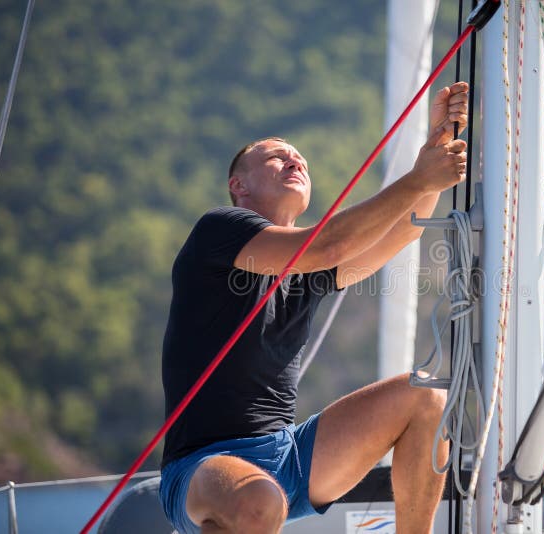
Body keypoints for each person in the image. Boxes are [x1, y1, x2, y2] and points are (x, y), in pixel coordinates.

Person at [159, 82, 470, 534]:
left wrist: (435, 146)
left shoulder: (308, 269)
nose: (295, 159)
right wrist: (419, 178)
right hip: (204, 468)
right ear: (238, 185)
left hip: (288, 455)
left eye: (300, 157)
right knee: (258, 501)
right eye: (276, 156)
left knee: (425, 396)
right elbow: (326, 245)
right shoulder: (219, 231)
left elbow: (404, 231)